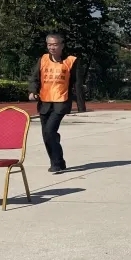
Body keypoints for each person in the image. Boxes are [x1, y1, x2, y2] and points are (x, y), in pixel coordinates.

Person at [29, 33, 84, 173]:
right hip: (44, 102)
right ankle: (57, 161)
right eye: (49, 45)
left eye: (55, 45)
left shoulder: (71, 61)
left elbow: (77, 83)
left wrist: (80, 105)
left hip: (61, 101)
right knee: (47, 134)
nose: (52, 48)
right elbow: (35, 78)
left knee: (49, 131)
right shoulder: (43, 59)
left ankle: (57, 164)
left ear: (62, 45)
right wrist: (33, 91)